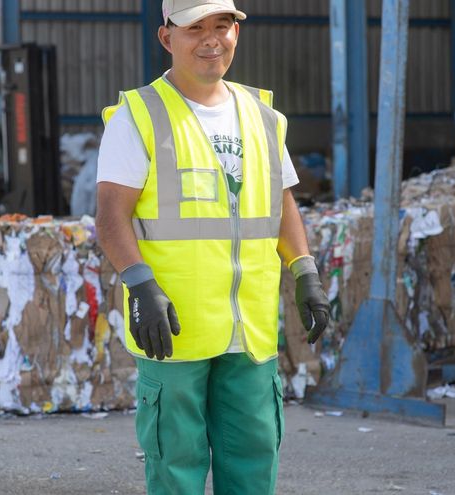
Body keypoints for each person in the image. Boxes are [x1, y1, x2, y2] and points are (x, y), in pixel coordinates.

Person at [95, 1, 331, 493]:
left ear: (236, 33)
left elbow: (282, 203)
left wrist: (305, 271)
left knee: (253, 454)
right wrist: (140, 284)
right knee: (175, 460)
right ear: (166, 38)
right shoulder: (139, 115)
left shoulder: (263, 116)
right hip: (174, 325)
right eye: (194, 28)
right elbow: (111, 217)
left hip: (250, 328)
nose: (211, 39)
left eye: (222, 26)